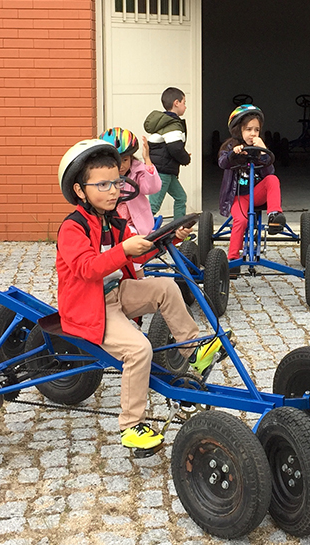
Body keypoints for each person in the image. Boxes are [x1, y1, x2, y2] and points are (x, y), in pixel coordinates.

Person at [56, 139, 230, 451]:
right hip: (89, 307)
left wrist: (169, 240)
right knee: (139, 349)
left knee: (165, 287)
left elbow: (138, 256)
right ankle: (131, 426)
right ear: (80, 191)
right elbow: (86, 269)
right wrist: (124, 250)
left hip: (115, 294)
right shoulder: (73, 228)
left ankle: (194, 352)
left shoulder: (114, 222)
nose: (113, 190)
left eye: (116, 182)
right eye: (103, 184)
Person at [218, 104, 285, 273]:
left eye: (256, 130)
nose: (253, 134)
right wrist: (233, 154)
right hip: (239, 196)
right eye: (248, 129)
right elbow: (222, 163)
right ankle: (232, 259)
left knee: (272, 179)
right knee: (240, 221)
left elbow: (270, 170)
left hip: (257, 194)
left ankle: (275, 215)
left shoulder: (260, 147)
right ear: (238, 130)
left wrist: (263, 151)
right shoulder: (229, 146)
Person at [98, 127, 161, 235]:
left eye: (125, 160)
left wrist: (147, 160)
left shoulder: (137, 172)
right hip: (109, 224)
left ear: (131, 158)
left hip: (136, 226)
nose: (121, 166)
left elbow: (152, 188)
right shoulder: (99, 177)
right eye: (116, 161)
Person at [144, 87, 191, 219]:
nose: (185, 107)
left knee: (181, 197)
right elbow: (175, 148)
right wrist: (185, 158)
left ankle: (178, 230)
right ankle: (140, 233)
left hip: (167, 170)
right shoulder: (173, 125)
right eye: (184, 103)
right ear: (176, 103)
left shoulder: (166, 122)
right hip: (162, 171)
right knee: (154, 206)